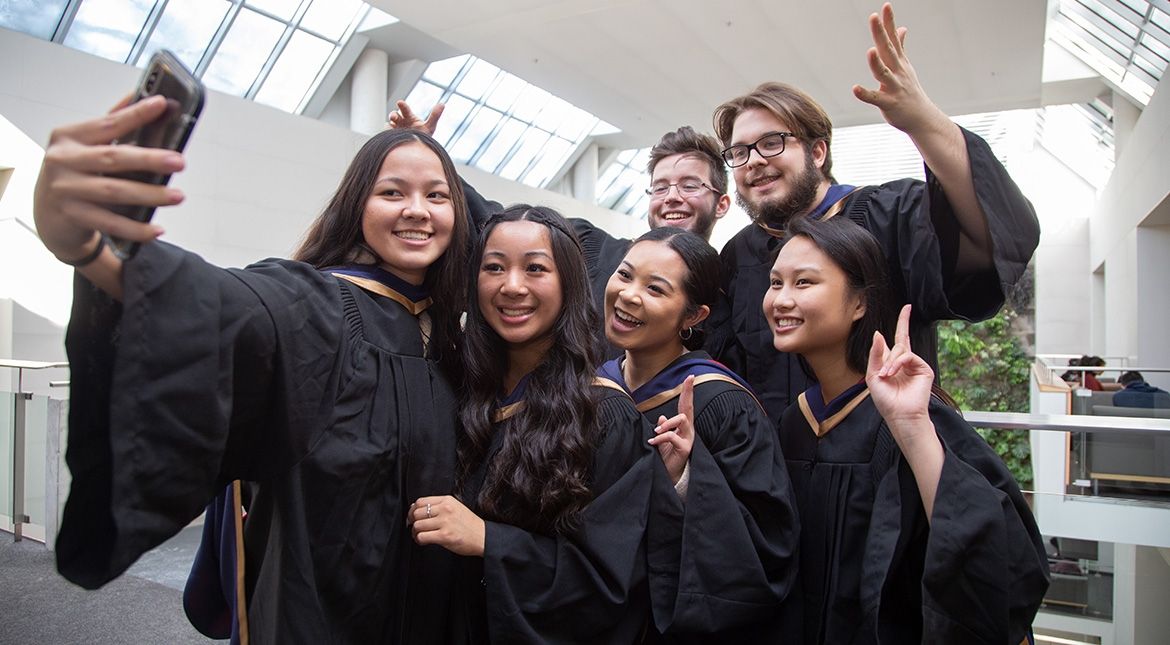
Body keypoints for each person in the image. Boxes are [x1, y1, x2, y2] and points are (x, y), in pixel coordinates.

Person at [33, 95, 472, 644]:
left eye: (437, 195)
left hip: (434, 602)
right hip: (325, 609)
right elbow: (217, 303)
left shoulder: (453, 330)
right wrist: (84, 246)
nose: (417, 210)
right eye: (392, 192)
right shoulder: (316, 307)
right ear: (356, 206)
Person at [709, 2, 1041, 421]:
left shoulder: (888, 215)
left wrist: (923, 123)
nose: (754, 160)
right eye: (738, 153)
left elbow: (991, 240)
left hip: (890, 450)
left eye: (772, 142)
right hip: (776, 459)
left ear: (817, 152)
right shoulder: (737, 256)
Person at [768, 215, 1049, 643]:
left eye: (803, 282)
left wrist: (912, 427)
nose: (781, 300)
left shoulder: (914, 413)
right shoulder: (794, 421)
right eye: (775, 283)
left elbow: (997, 561)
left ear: (860, 303)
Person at [406, 205, 661, 643]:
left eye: (535, 268)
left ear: (569, 283)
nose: (512, 286)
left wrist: (490, 542)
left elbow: (610, 583)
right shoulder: (457, 392)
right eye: (494, 267)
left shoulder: (603, 414)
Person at [389, 103, 731, 358]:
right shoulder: (593, 249)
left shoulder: (728, 290)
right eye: (660, 187)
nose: (672, 197)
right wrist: (429, 158)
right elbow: (500, 225)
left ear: (721, 204)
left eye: (690, 186)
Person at [595, 226, 799, 641]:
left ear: (693, 316)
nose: (629, 295)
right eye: (625, 275)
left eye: (655, 289)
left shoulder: (722, 404)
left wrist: (685, 481)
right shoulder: (593, 387)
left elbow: (767, 545)